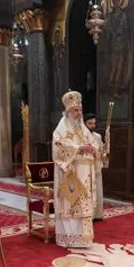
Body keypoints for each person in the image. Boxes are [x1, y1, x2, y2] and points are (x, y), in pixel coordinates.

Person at [53, 91, 97, 247]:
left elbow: (93, 144)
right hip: (70, 173)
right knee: (70, 204)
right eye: (75, 110)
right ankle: (69, 237)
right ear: (68, 111)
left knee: (83, 206)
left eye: (80, 109)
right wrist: (79, 148)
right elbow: (58, 148)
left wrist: (94, 149)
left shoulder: (83, 129)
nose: (79, 113)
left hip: (85, 173)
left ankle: (83, 239)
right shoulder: (61, 129)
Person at [84, 113, 109, 221]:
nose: (92, 125)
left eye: (94, 123)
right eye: (90, 123)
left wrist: (105, 149)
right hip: (86, 168)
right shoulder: (81, 137)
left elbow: (101, 153)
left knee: (97, 191)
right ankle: (88, 215)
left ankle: (97, 214)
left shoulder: (97, 136)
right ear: (84, 124)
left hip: (96, 167)